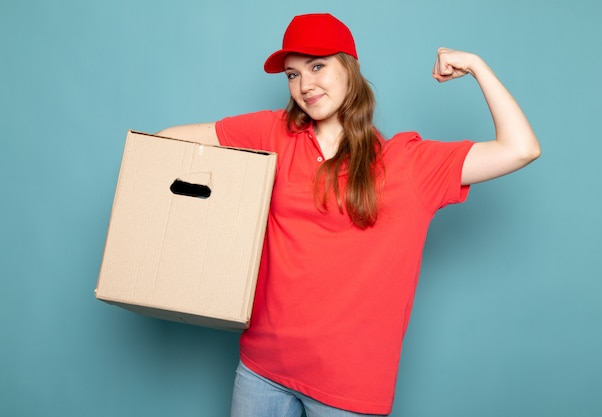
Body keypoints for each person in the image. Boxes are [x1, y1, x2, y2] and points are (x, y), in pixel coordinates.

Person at [157, 12, 540, 417]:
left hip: (348, 386)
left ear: (349, 68)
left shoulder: (407, 164)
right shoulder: (275, 133)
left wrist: (477, 66)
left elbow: (521, 148)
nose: (304, 85)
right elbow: (167, 143)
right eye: (292, 74)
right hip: (261, 368)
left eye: (317, 66)